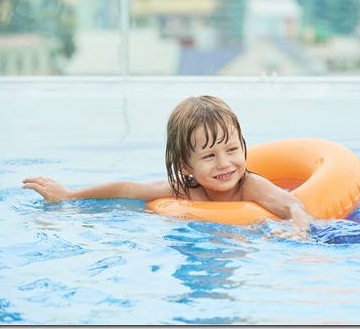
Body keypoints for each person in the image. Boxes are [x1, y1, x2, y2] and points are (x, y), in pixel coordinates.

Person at [22, 95, 312, 240]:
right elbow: (128, 189)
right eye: (209, 156)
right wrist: (68, 196)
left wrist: (298, 229)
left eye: (232, 149)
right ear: (186, 166)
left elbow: (294, 205)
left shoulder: (250, 186)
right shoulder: (183, 189)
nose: (225, 163)